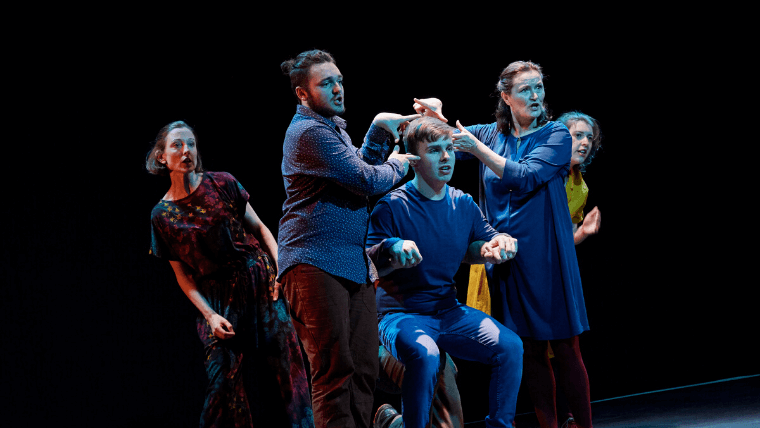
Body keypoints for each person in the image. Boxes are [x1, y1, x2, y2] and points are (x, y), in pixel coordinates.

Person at [419, 61, 594, 428]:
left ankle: (583, 424)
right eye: (525, 89)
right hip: (507, 260)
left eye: (538, 87)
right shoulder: (492, 134)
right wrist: (435, 116)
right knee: (529, 350)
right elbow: (447, 139)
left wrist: (477, 149)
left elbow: (526, 176)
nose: (535, 95)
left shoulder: (555, 136)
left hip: (548, 259)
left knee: (565, 347)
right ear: (506, 97)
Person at [278, 49, 420, 428]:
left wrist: (378, 129)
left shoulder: (331, 128)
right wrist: (400, 164)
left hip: (350, 263)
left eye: (339, 80)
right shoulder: (308, 132)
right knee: (335, 370)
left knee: (363, 367)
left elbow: (359, 168)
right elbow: (365, 179)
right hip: (313, 262)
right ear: (303, 94)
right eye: (326, 83)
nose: (338, 88)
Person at [146, 121, 313, 427]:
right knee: (222, 383)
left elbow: (260, 229)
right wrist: (210, 315)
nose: (186, 151)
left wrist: (281, 268)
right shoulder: (162, 215)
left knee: (286, 370)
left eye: (191, 144)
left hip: (259, 280)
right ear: (161, 157)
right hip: (218, 298)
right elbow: (183, 276)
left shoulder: (221, 183)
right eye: (177, 145)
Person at [366, 116, 524, 428]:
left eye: (449, 149)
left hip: (448, 311)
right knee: (426, 354)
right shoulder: (392, 205)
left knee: (510, 346)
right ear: (414, 160)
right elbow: (368, 260)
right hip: (400, 315)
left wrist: (498, 245)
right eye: (435, 150)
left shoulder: (462, 203)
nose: (446, 157)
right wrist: (393, 250)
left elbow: (485, 240)